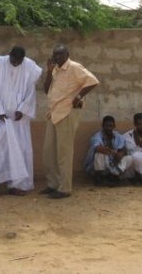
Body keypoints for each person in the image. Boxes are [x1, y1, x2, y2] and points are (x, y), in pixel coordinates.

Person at [0, 46, 42, 197]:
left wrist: (23, 109)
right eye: (13, 60)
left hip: (17, 119)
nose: (15, 64)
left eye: (18, 61)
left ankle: (16, 184)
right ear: (9, 56)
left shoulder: (29, 67)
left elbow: (30, 90)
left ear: (23, 59)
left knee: (19, 150)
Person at [41, 43, 99, 199]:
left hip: (67, 113)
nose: (56, 57)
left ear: (67, 54)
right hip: (53, 113)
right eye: (55, 55)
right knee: (49, 151)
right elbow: (46, 90)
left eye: (59, 55)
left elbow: (93, 81)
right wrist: (48, 71)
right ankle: (53, 184)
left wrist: (79, 97)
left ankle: (65, 188)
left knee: (64, 153)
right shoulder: (55, 70)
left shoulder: (74, 67)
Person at [85, 115, 132, 185]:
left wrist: (120, 154)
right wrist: (113, 153)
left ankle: (114, 176)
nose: (109, 128)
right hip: (100, 164)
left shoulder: (118, 136)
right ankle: (99, 178)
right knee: (99, 154)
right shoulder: (97, 136)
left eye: (111, 126)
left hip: (114, 162)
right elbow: (98, 148)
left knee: (129, 158)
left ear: (114, 126)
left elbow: (123, 149)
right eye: (106, 126)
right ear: (102, 126)